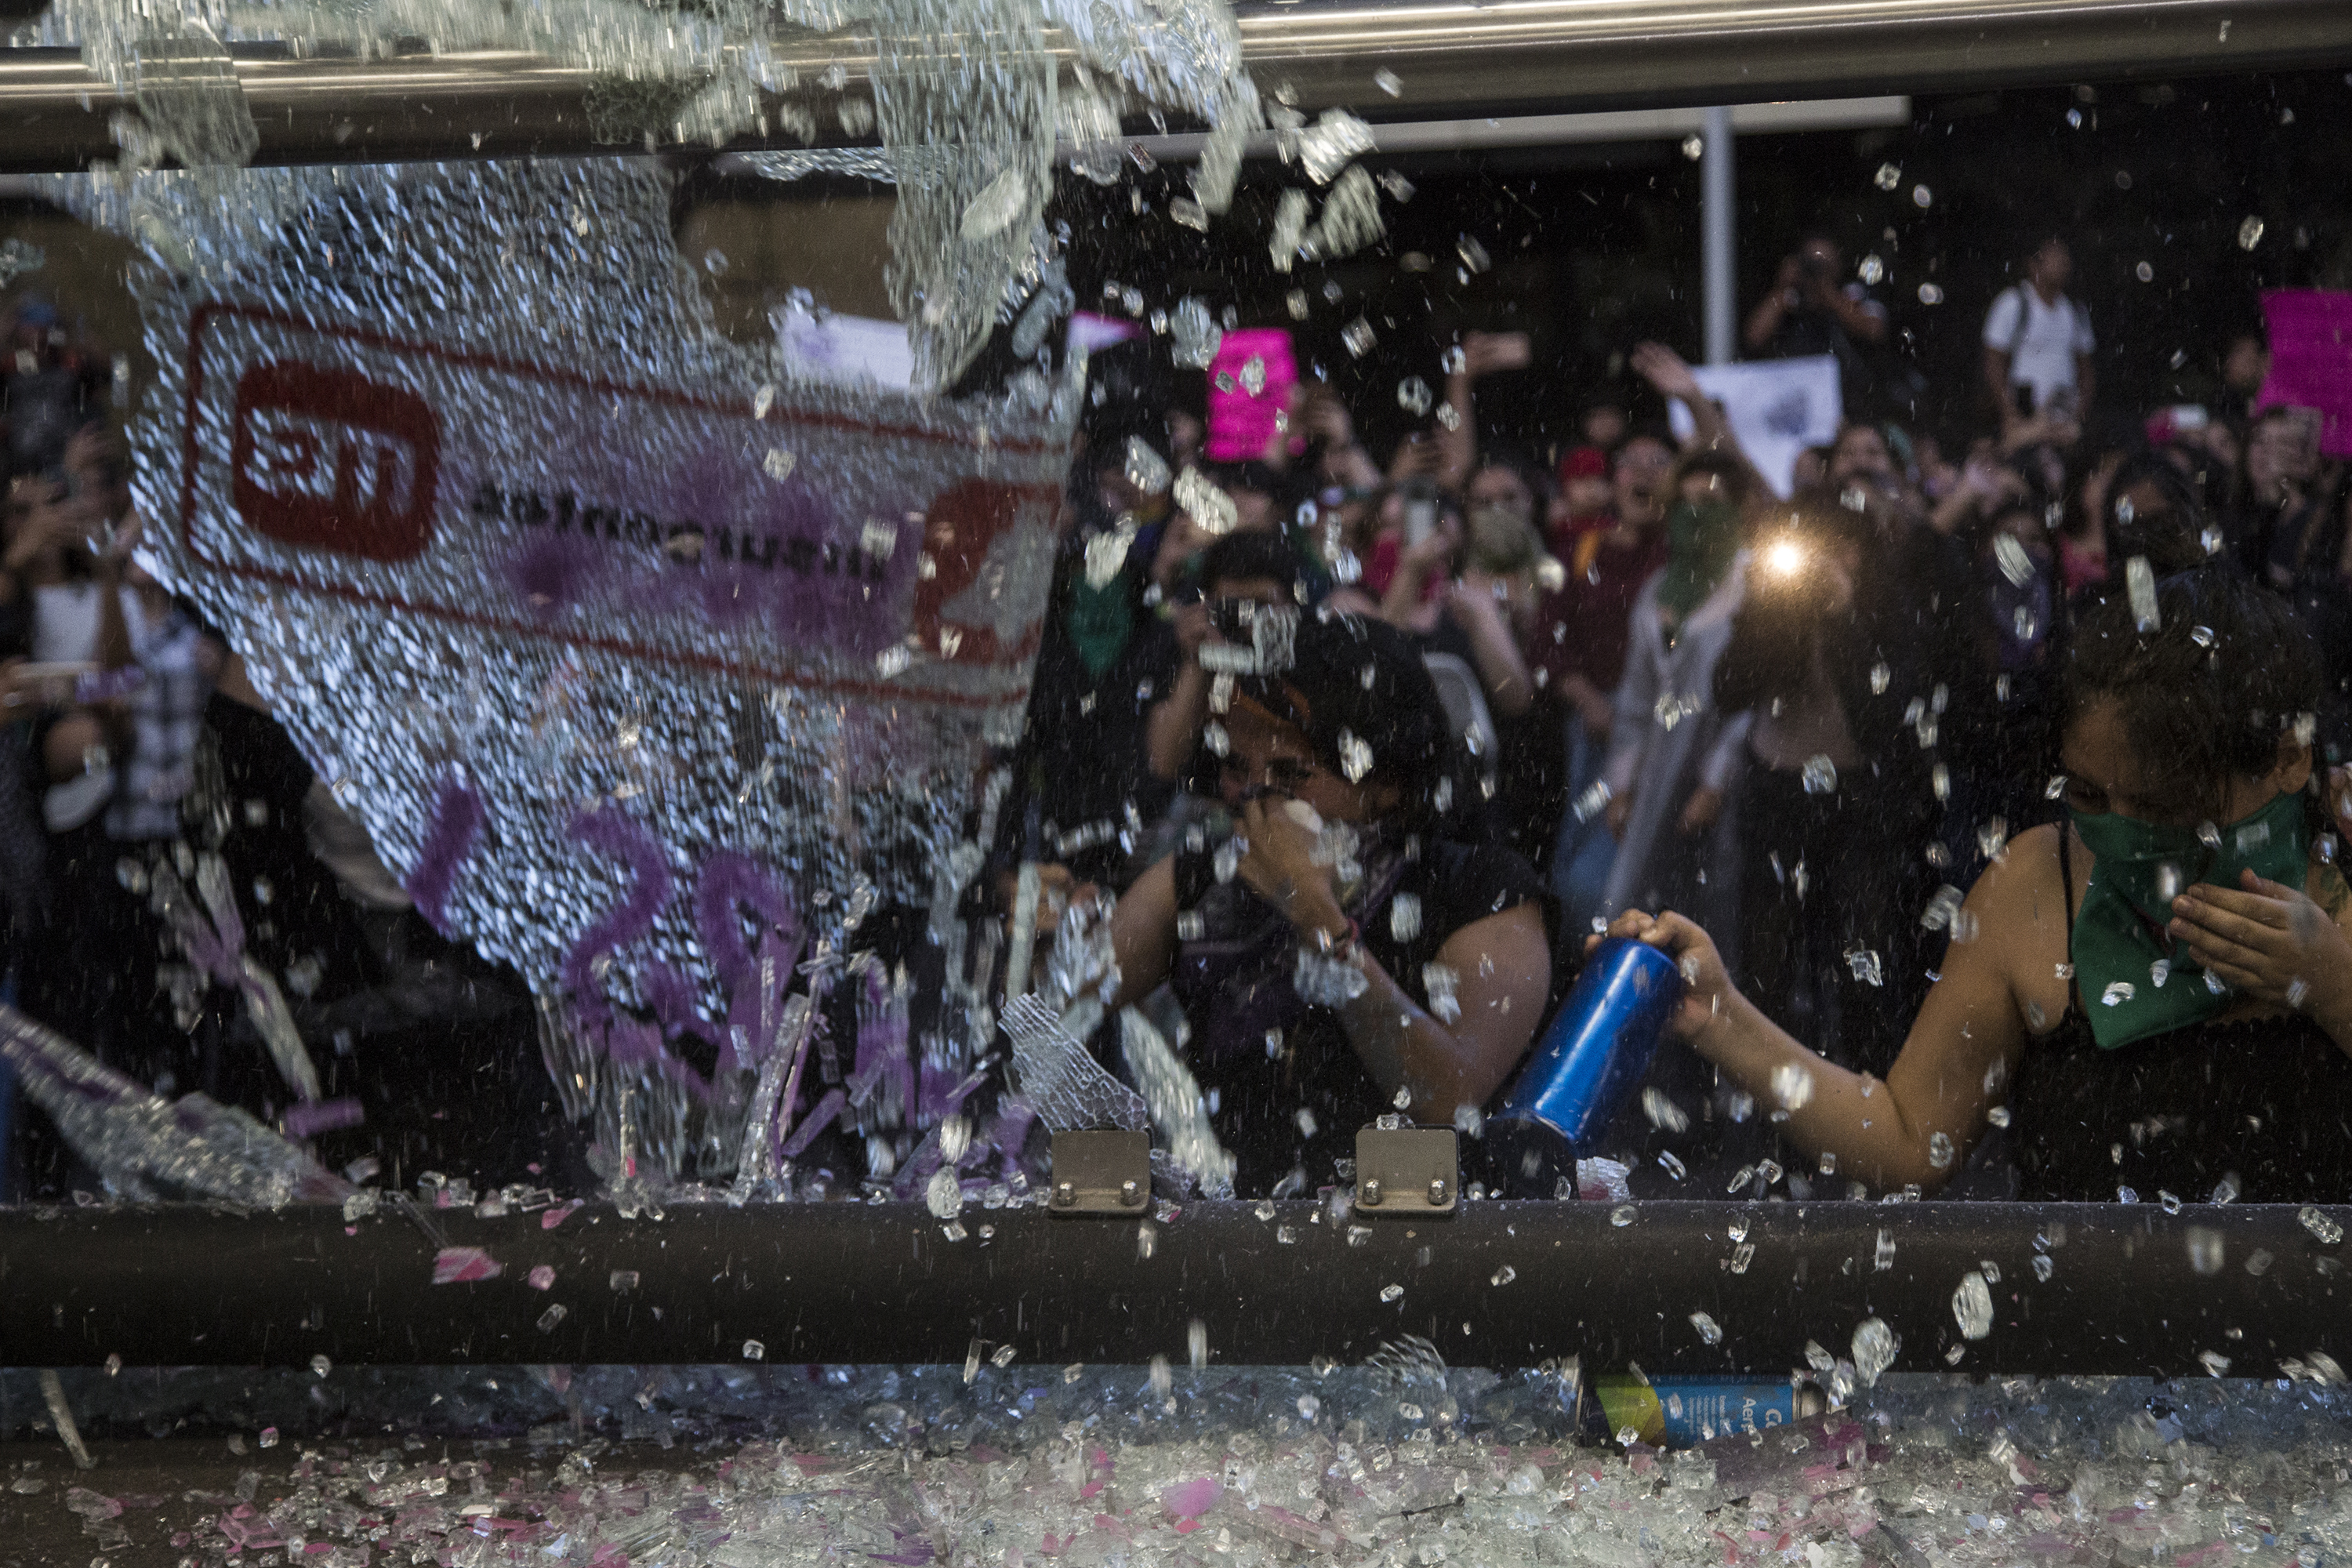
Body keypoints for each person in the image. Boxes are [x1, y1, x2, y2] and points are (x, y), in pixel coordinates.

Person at [1599, 565, 2352, 1201]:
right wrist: (1721, 1016)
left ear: (2287, 758)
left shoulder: (2342, 866)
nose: (2122, 833)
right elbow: (1904, 1142)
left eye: (2162, 810)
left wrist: (2331, 982)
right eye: (2089, 796)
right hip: (2092, 1364)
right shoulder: (2036, 879)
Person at [1107, 612, 1551, 1196]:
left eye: (1291, 772)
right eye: (1239, 768)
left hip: (1420, 1240)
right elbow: (1075, 1003)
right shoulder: (1205, 875)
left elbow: (1449, 1101)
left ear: (1386, 784)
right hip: (1232, 1241)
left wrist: (1319, 919)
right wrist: (1049, 935)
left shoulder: (1480, 890)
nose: (1254, 795)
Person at [1712, 499, 1936, 1076]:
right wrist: (1765, 608)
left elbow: (1886, 715)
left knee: (1863, 956)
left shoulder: (1884, 610)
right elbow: (1727, 689)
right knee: (1770, 962)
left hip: (1860, 799)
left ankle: (1866, 1099)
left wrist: (1842, 615)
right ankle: (1779, 1115)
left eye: (1839, 550)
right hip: (1775, 794)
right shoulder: (1769, 607)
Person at [1599, 449, 1756, 958]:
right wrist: (1620, 785)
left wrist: (1717, 778)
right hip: (1659, 775)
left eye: (1710, 502)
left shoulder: (1754, 583)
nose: (1695, 515)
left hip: (1731, 774)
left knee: (1720, 907)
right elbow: (1637, 698)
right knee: (1645, 907)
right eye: (1683, 504)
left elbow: (1754, 696)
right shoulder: (1654, 592)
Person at [1533, 432, 1673, 935]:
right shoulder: (1577, 550)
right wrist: (1587, 699)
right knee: (1586, 852)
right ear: (1614, 483)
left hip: (1668, 724)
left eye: (1659, 462)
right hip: (1597, 725)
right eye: (1631, 463)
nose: (1645, 473)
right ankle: (1581, 961)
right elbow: (1546, 641)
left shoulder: (1681, 554)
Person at [1742, 236, 1894, 417]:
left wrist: (1827, 293)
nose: (1815, 270)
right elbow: (1754, 337)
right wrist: (1783, 288)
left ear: (1838, 264)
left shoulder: (1853, 294)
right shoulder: (1789, 300)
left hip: (1851, 406)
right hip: (1796, 405)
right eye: (1810, 263)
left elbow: (1874, 331)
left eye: (1822, 263)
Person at [1982, 238, 2096, 430]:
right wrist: (2010, 413)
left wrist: (2079, 413)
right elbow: (1994, 364)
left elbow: (2086, 370)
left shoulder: (2075, 311)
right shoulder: (2012, 303)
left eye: (2064, 257)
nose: (2062, 263)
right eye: (2054, 256)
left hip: (2064, 415)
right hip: (2023, 412)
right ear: (2033, 265)